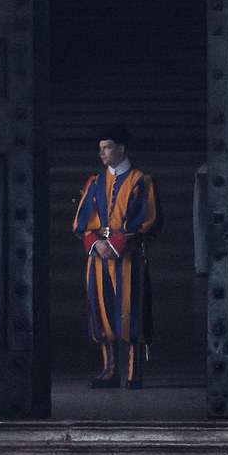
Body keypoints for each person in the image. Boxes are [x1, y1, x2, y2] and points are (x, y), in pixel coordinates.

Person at [72, 125, 161, 389]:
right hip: (98, 258)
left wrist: (116, 243)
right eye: (100, 149)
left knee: (130, 310)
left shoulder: (141, 181)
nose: (103, 153)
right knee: (101, 311)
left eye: (107, 147)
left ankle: (134, 373)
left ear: (122, 148)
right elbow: (81, 221)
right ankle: (109, 371)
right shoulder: (95, 182)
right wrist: (95, 243)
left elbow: (149, 218)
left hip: (128, 256)